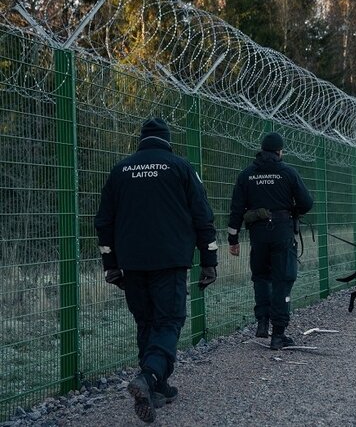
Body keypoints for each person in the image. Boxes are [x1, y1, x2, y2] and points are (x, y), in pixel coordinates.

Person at [94, 118, 218, 423]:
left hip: (132, 261)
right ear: (167, 140)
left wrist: (110, 265)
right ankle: (148, 377)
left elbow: (104, 222)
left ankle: (158, 387)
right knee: (169, 321)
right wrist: (209, 261)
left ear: (141, 141)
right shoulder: (181, 167)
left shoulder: (120, 171)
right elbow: (203, 216)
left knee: (146, 321)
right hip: (170, 259)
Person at [227, 132, 313, 350]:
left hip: (258, 234)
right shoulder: (288, 173)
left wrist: (233, 238)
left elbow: (236, 208)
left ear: (261, 150)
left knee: (261, 277)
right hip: (282, 231)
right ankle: (279, 334)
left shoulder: (247, 175)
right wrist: (293, 211)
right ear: (279, 151)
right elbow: (307, 202)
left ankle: (263, 322)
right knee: (283, 279)